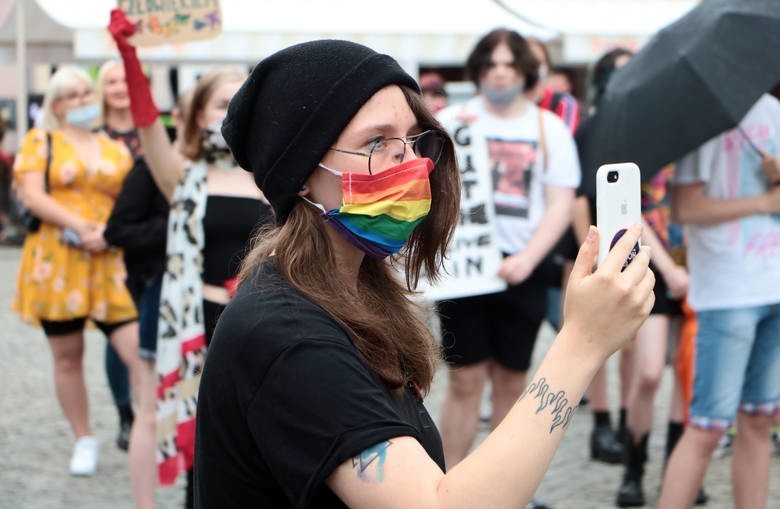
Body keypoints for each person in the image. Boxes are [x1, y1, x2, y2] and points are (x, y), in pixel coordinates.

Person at [191, 36, 655, 508]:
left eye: (415, 140)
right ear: (303, 173)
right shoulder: (288, 335)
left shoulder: (352, 290)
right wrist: (581, 343)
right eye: (377, 142)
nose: (413, 164)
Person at [108, 9, 274, 508]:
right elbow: (147, 125)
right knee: (198, 438)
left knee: (257, 437)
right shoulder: (182, 175)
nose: (233, 112)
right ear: (201, 113)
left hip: (262, 322)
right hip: (197, 322)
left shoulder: (273, 176)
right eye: (223, 103)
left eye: (242, 103)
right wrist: (130, 60)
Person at [435, 30, 581, 497]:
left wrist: (528, 258)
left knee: (512, 380)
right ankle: (445, 485)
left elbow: (560, 203)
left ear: (525, 73)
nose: (501, 72)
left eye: (511, 65)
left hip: (525, 266)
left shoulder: (548, 128)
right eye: (492, 64)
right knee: (464, 379)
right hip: (464, 268)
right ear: (478, 70)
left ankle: (502, 487)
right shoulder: (452, 121)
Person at [11, 65, 142, 477]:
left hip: (108, 258)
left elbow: (129, 200)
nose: (82, 101)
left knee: (137, 351)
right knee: (67, 356)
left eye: (86, 93)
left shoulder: (114, 148)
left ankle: (148, 428)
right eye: (71, 95)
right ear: (56, 104)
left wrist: (108, 233)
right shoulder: (41, 141)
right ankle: (84, 437)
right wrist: (80, 226)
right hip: (58, 259)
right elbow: (31, 194)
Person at [658, 93, 780, 509]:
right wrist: (763, 200)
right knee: (708, 427)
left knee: (761, 419)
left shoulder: (774, 111)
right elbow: (684, 207)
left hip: (774, 286)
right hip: (728, 292)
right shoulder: (702, 120)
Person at [572, 47, 635, 465]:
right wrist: (590, 253)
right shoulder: (590, 128)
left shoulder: (646, 128)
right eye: (615, 72)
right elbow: (579, 200)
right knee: (590, 337)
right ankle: (601, 421)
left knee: (629, 340)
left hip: (632, 248)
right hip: (590, 248)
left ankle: (627, 423)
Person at [95, 59, 139, 452]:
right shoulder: (94, 135)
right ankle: (126, 411)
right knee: (116, 332)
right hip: (103, 248)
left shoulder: (155, 132)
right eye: (111, 81)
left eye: (124, 79)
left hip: (144, 245)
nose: (119, 87)